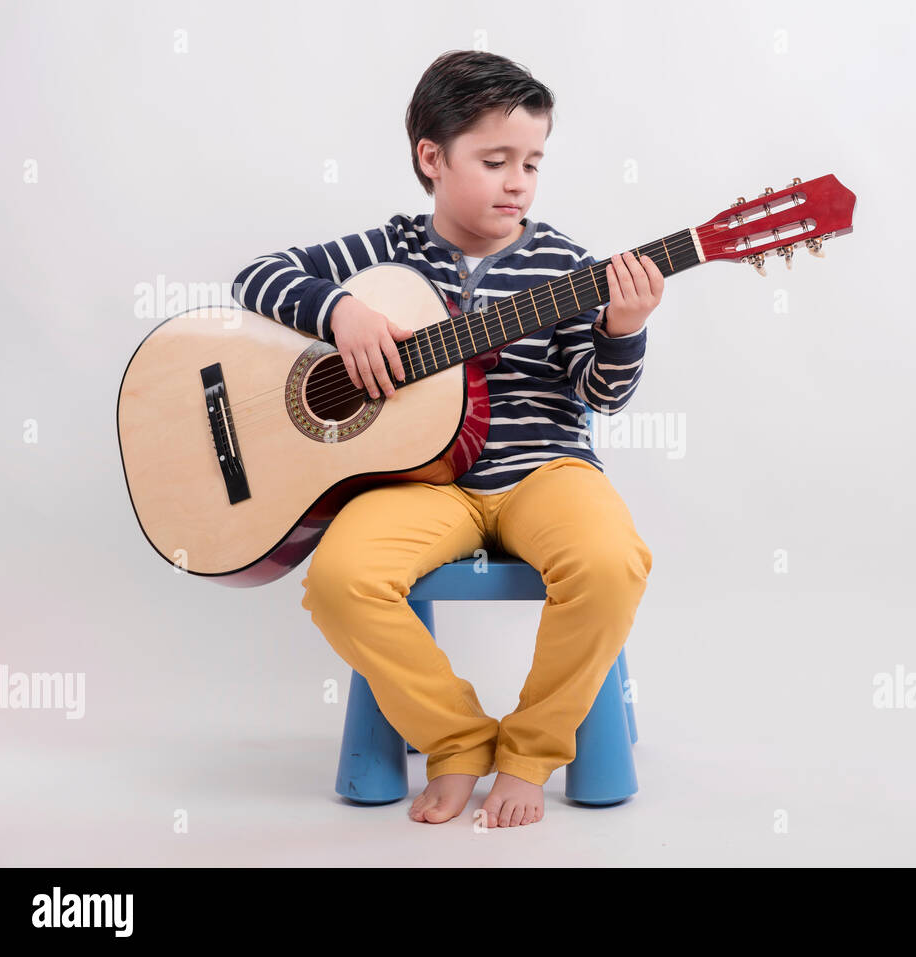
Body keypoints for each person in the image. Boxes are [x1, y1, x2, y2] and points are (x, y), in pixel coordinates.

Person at [231, 50, 663, 828]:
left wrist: (623, 331)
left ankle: (530, 752)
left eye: (532, 162)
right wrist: (341, 313)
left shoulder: (564, 263)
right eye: (494, 160)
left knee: (610, 562)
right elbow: (256, 276)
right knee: (340, 579)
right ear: (432, 158)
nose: (518, 182)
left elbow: (602, 392)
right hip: (420, 484)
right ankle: (457, 739)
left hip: (544, 469)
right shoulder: (385, 251)